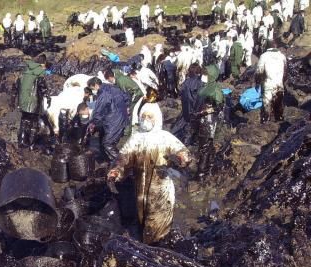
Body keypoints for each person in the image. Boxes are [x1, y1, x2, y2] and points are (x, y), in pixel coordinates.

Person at [107, 104, 190, 244]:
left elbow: (181, 151)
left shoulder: (165, 137)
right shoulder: (135, 139)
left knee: (158, 219)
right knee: (143, 216)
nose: (146, 120)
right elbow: (123, 159)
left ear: (157, 119)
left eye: (150, 117)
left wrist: (182, 157)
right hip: (140, 186)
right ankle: (148, 244)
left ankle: (158, 246)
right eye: (143, 116)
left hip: (160, 185)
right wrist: (116, 171)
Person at [85, 78, 129, 162]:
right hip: (123, 117)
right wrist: (126, 107)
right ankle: (113, 160)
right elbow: (126, 97)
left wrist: (93, 123)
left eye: (92, 88)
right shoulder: (113, 88)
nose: (92, 91)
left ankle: (121, 162)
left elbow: (99, 111)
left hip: (114, 121)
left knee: (107, 143)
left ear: (96, 85)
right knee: (111, 140)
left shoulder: (103, 95)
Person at [15, 54, 51, 149]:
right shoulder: (39, 72)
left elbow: (17, 85)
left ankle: (22, 141)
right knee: (34, 122)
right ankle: (31, 144)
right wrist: (48, 97)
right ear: (43, 64)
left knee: (24, 120)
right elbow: (42, 87)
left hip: (23, 101)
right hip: (33, 102)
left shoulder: (25, 71)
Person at [194, 65, 224, 174]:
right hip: (205, 122)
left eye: (206, 74)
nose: (203, 76)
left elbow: (219, 107)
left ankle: (201, 172)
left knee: (205, 147)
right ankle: (207, 169)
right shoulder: (207, 87)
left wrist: (205, 111)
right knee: (206, 146)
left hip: (208, 122)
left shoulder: (214, 90)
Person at [172, 63, 204, 140]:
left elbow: (181, 93)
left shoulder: (186, 82)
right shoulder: (201, 83)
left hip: (186, 110)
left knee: (182, 127)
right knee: (191, 129)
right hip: (196, 110)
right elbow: (201, 99)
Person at [256, 47, 287, 123]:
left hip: (268, 83)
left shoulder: (264, 56)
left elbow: (259, 71)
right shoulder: (282, 56)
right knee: (278, 103)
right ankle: (279, 121)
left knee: (267, 103)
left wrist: (257, 81)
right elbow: (286, 71)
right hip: (279, 83)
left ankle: (265, 121)